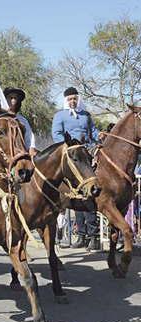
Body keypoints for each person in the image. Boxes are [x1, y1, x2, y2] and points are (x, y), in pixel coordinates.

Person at [52, 87, 99, 249]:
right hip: (71, 155)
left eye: (75, 98)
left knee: (89, 195)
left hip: (87, 153)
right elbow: (56, 134)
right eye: (70, 99)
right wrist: (68, 145)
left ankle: (94, 236)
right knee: (77, 197)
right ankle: (81, 235)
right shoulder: (60, 115)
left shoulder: (86, 115)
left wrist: (100, 137)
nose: (72, 101)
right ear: (66, 100)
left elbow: (93, 132)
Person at [3, 87, 37, 156]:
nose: (12, 100)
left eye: (15, 98)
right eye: (10, 97)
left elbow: (29, 138)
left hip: (20, 154)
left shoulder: (22, 120)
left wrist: (31, 149)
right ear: (5, 99)